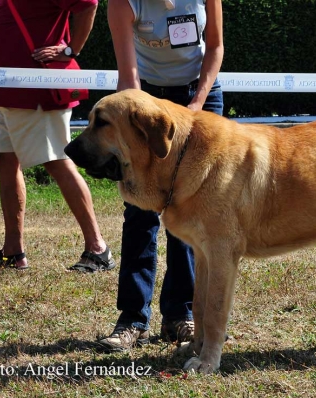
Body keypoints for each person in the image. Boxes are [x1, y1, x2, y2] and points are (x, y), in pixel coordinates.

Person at [97, 0, 224, 350]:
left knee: (190, 210)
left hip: (199, 94)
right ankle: (132, 319)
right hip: (145, 100)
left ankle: (179, 316)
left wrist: (196, 106)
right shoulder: (124, 2)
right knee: (139, 210)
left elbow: (214, 47)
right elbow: (129, 76)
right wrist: (139, 117)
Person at [0, 0, 115, 273]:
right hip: (11, 91)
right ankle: (13, 252)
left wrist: (71, 50)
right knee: (6, 162)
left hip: (34, 91)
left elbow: (88, 4)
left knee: (57, 161)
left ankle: (98, 250)